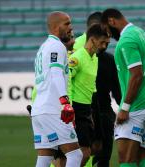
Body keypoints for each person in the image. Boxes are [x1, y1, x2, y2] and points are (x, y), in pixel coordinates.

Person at [101, 8, 145, 167]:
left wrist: (125, 108)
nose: (108, 35)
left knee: (125, 160)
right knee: (140, 159)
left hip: (137, 107)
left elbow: (137, 75)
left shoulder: (126, 40)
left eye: (107, 30)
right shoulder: (140, 33)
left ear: (111, 21)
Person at [31, 11, 83, 167]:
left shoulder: (43, 48)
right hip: (53, 109)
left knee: (45, 156)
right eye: (66, 23)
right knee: (75, 154)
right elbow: (55, 73)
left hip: (39, 111)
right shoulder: (56, 46)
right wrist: (65, 102)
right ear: (55, 26)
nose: (71, 27)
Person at [74, 11, 122, 167]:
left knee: (102, 157)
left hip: (104, 114)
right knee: (79, 153)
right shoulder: (76, 54)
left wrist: (125, 108)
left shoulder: (108, 59)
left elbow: (117, 91)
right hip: (81, 112)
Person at [68, 23, 110, 166]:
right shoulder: (76, 58)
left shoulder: (95, 59)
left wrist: (93, 112)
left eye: (107, 43)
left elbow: (91, 88)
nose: (104, 46)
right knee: (82, 153)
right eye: (102, 42)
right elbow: (65, 80)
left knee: (86, 152)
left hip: (86, 109)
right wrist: (68, 107)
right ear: (92, 40)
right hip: (75, 109)